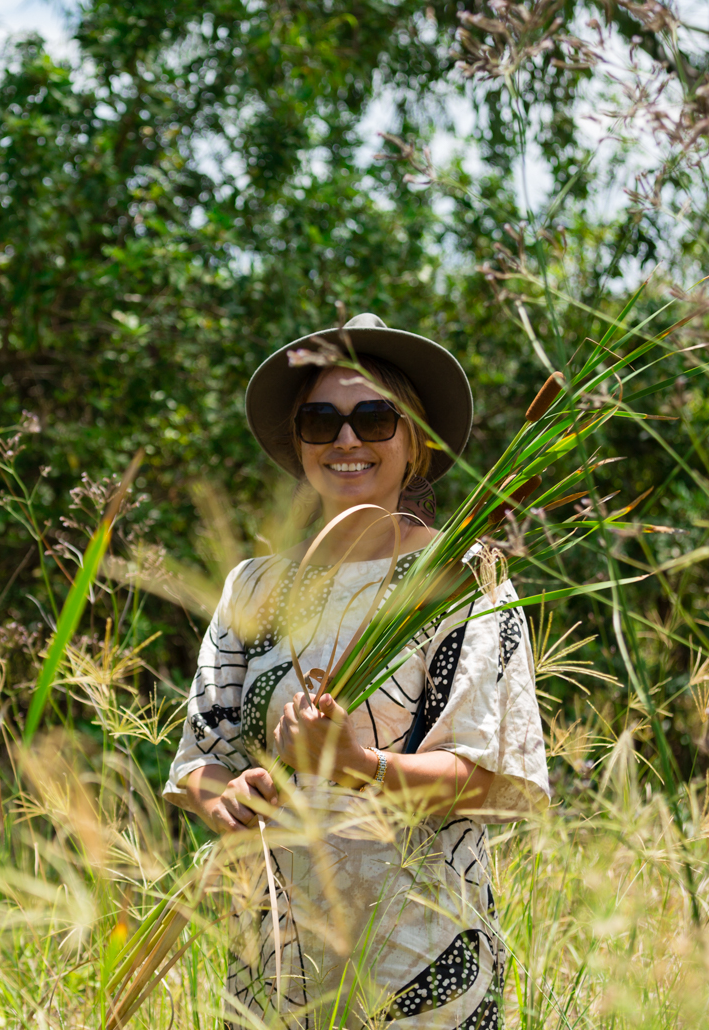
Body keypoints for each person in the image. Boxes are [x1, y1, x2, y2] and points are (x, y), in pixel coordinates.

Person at [166, 313, 550, 1029]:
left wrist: (355, 763)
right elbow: (199, 761)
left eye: (375, 417)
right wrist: (225, 799)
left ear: (416, 443)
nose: (347, 439)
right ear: (302, 443)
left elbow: (500, 784)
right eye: (322, 421)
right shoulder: (254, 587)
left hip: (420, 962)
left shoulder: (464, 580)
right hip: (276, 960)